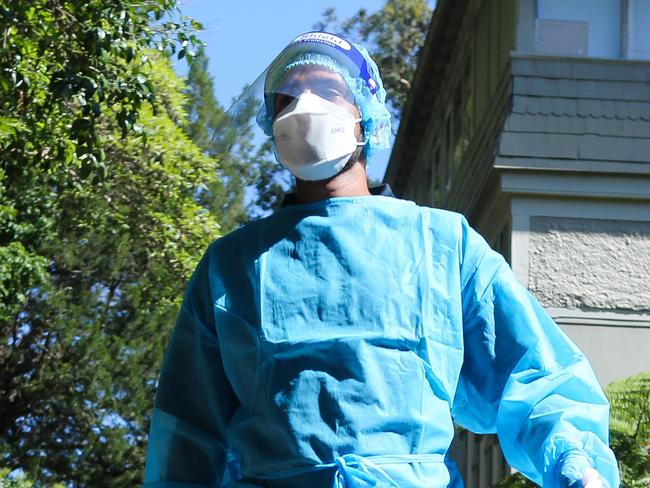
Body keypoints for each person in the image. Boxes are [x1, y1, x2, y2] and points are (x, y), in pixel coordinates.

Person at [143, 31, 619, 487]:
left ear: (366, 115)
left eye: (328, 89)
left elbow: (537, 376)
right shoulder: (230, 267)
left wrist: (576, 464)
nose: (305, 107)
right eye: (286, 98)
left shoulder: (443, 245)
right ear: (271, 125)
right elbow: (187, 435)